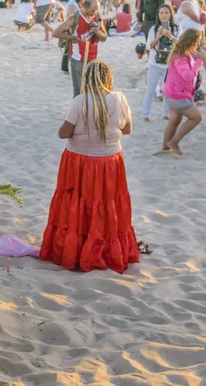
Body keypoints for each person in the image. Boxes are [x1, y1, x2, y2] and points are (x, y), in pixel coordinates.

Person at [40, 60, 139, 274]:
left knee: (78, 202)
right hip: (110, 162)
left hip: (80, 161)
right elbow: (128, 129)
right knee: (105, 203)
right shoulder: (119, 99)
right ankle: (105, 248)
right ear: (108, 78)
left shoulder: (80, 101)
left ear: (87, 79)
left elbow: (63, 133)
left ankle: (77, 249)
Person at [161, 28, 206, 156]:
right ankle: (174, 142)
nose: (199, 44)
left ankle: (165, 149)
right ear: (192, 42)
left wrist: (203, 58)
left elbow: (179, 42)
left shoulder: (188, 52)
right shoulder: (180, 57)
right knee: (196, 117)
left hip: (173, 93)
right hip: (177, 95)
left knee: (175, 120)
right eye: (198, 41)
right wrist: (200, 61)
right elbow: (187, 75)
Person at [54, 0, 107, 97]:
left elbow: (104, 37)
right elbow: (56, 33)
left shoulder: (98, 17)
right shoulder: (75, 18)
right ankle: (78, 111)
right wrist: (73, 37)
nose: (94, 13)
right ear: (85, 7)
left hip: (92, 57)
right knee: (78, 90)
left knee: (91, 88)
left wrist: (97, 31)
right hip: (77, 57)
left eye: (96, 10)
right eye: (92, 10)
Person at [143, 4, 178, 121]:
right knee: (150, 89)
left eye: (166, 12)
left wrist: (170, 36)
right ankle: (146, 114)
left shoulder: (177, 27)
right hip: (155, 63)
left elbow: (181, 45)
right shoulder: (154, 28)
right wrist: (158, 36)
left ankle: (165, 114)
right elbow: (149, 46)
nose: (163, 15)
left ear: (170, 14)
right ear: (158, 15)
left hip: (170, 64)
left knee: (168, 91)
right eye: (161, 13)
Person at [62, 0, 89, 74]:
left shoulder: (78, 3)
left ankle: (66, 68)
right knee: (68, 48)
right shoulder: (73, 3)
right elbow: (70, 15)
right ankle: (65, 68)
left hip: (76, 27)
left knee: (70, 47)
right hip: (72, 28)